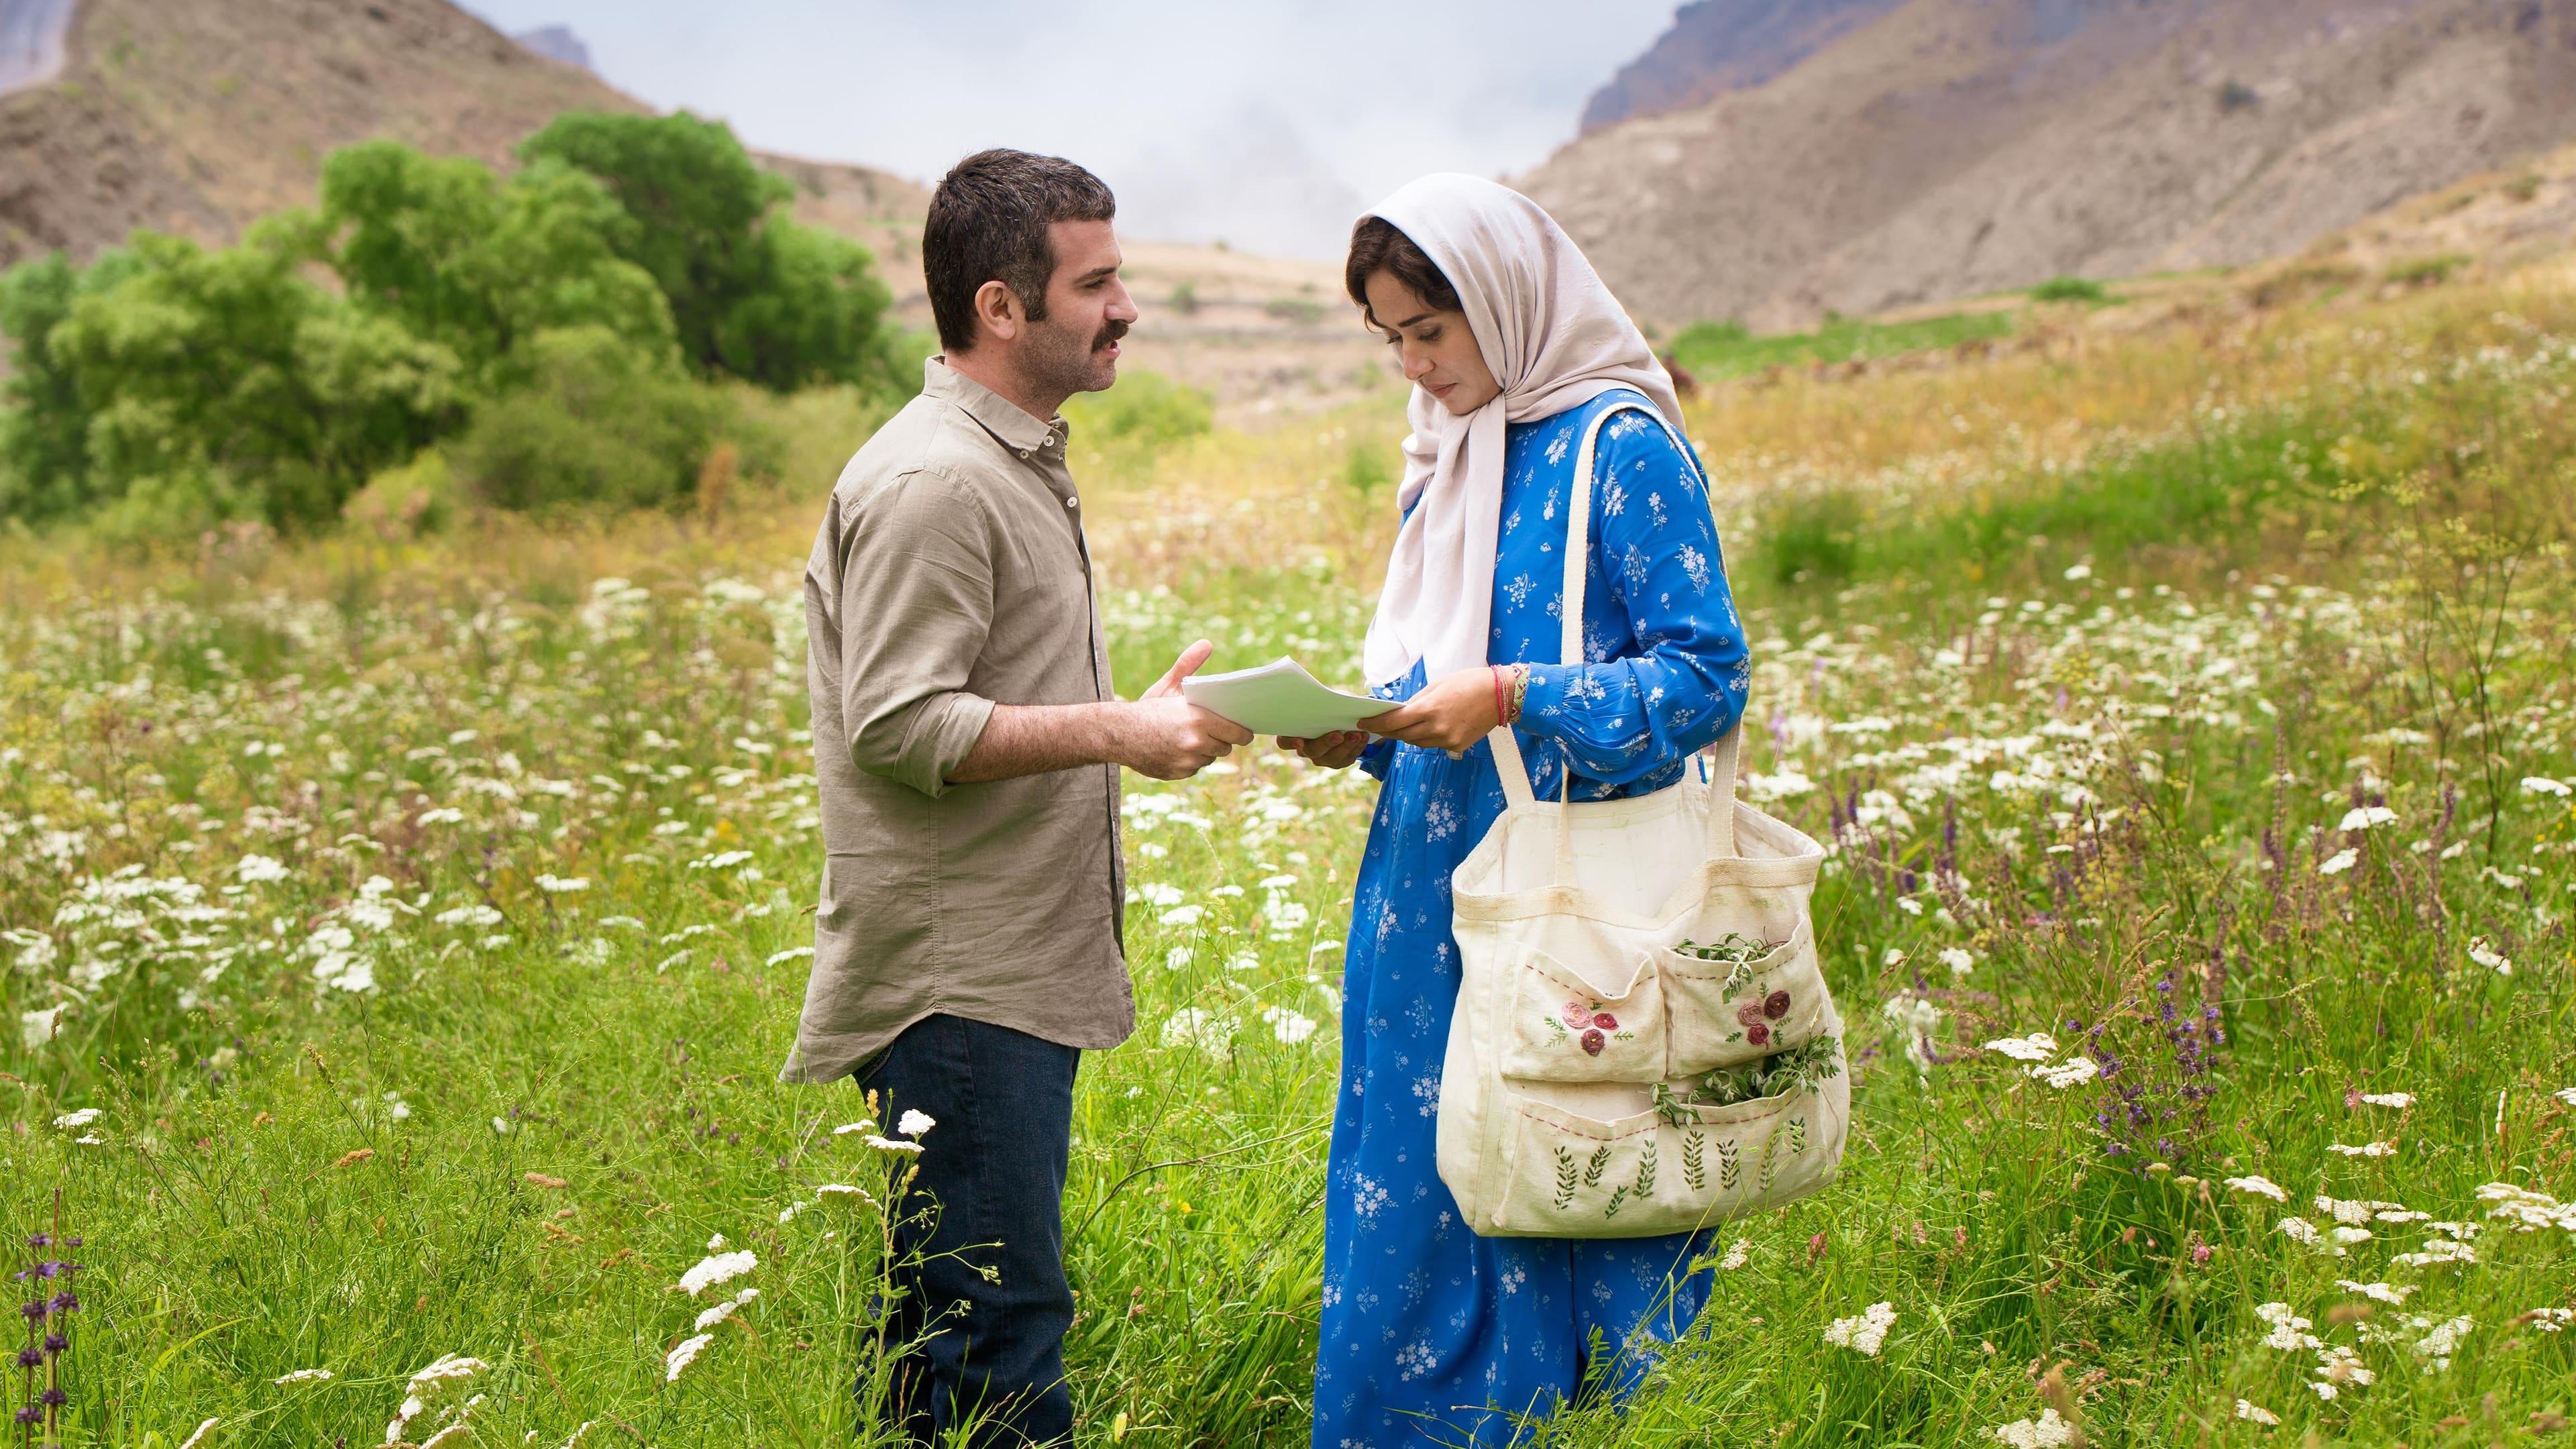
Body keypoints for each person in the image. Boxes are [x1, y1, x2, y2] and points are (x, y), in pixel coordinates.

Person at [786, 147, 1251, 1448]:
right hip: (959, 987)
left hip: (991, 978)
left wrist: (1130, 721)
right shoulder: (939, 480)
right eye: (1097, 282)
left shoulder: (1004, 456)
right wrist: (1123, 731)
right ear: (1002, 307)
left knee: (944, 1346)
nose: (1126, 306)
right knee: (997, 1351)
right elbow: (900, 723)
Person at [1277, 175, 1752, 1444]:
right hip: (1430, 880)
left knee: (1582, 1141)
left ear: (1505, 302)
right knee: (1424, 1163)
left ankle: (1609, 1418)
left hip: (1581, 886)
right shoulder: (1452, 452)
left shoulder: (1622, 445)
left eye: (1431, 332)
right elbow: (1443, 661)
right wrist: (1362, 724)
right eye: (1392, 340)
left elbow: (1706, 679)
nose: (1415, 368)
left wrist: (1513, 695)